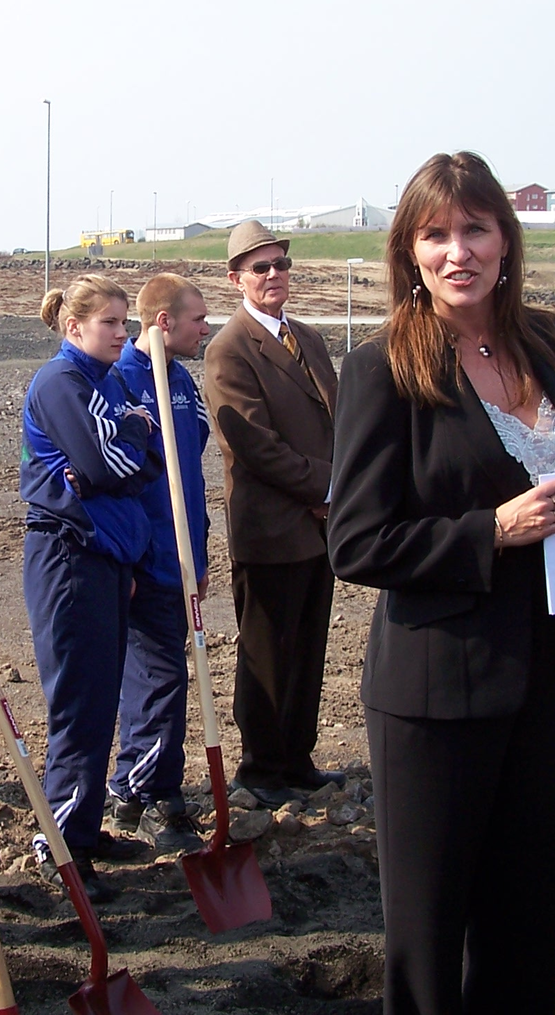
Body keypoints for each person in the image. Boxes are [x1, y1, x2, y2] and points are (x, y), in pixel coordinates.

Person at [326, 151, 555, 1015]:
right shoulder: (382, 367)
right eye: (436, 235)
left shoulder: (548, 340)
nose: (457, 251)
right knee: (428, 942)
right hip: (439, 693)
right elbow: (356, 542)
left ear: (505, 240)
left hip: (553, 677)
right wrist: (490, 531)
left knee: (527, 924)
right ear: (410, 251)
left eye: (475, 229)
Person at [20, 274, 160, 902]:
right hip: (68, 555)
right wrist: (122, 446)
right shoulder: (61, 381)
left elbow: (143, 459)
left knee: (102, 696)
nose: (122, 334)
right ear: (74, 327)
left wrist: (124, 446)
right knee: (78, 703)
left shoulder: (107, 381)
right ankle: (61, 847)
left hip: (107, 555)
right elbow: (110, 462)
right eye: (111, 323)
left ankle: (82, 827)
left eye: (125, 323)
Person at [202, 220, 340, 809]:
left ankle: (297, 759)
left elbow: (337, 418)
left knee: (308, 648)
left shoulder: (307, 338)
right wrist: (325, 486)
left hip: (320, 526)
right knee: (266, 651)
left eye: (281, 263)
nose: (274, 274)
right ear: (236, 279)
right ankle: (260, 768)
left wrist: (339, 489)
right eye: (260, 267)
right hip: (271, 528)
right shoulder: (229, 350)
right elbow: (254, 445)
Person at [108, 274, 210, 852]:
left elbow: (189, 471)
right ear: (164, 322)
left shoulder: (181, 381)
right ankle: (154, 795)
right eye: (198, 319)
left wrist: (200, 547)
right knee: (159, 679)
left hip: (182, 557)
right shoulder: (122, 381)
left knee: (157, 677)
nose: (206, 329)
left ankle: (130, 786)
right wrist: (131, 560)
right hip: (144, 562)